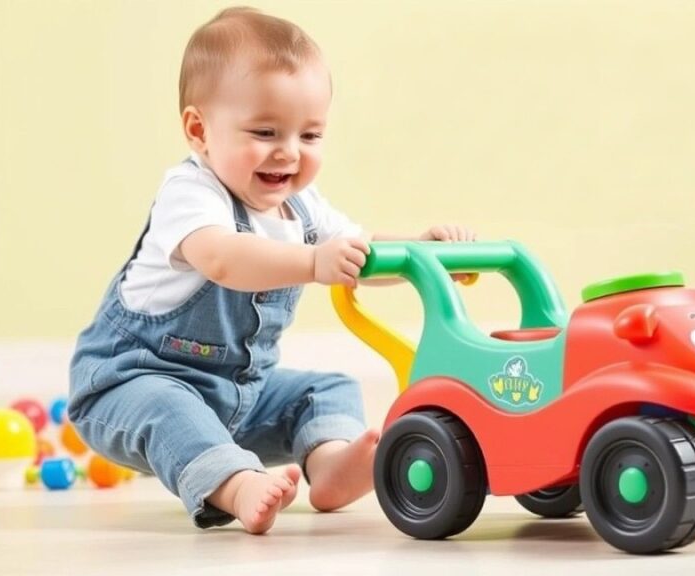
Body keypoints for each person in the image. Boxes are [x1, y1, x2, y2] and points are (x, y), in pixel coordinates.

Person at [68, 6, 475, 534]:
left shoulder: (303, 210)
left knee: (328, 387)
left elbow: (362, 252)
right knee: (168, 405)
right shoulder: (190, 195)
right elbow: (223, 258)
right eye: (265, 131)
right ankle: (236, 485)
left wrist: (422, 255)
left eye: (309, 136)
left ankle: (329, 466)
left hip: (239, 395)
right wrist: (313, 262)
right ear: (199, 130)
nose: (287, 153)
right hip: (130, 383)